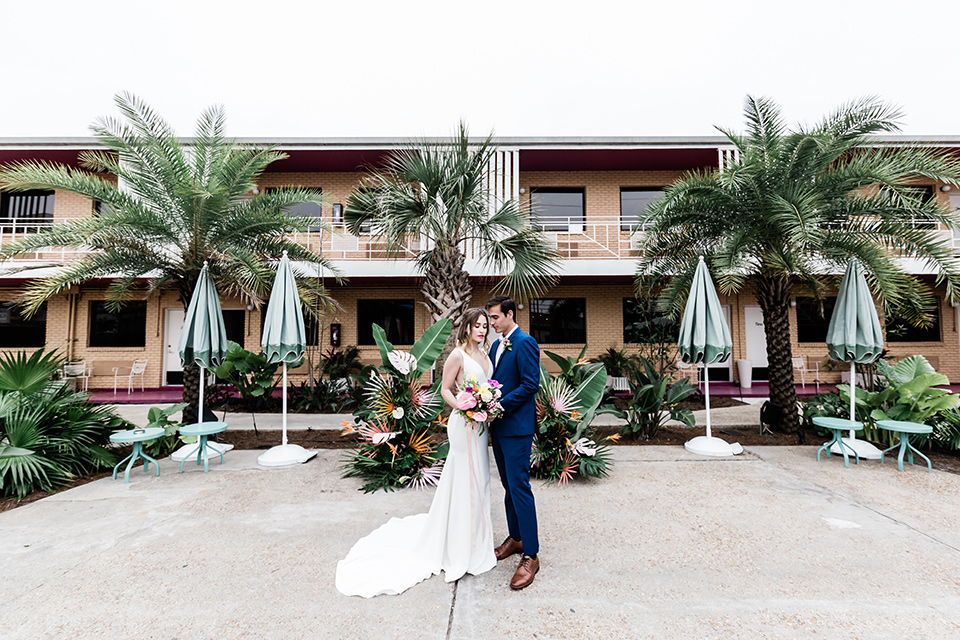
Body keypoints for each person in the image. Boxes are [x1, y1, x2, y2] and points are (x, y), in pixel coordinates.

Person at [336, 307, 496, 597]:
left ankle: (477, 542)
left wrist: (489, 404)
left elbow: (489, 387)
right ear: (467, 328)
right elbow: (446, 389)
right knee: (462, 479)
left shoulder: (486, 355)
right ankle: (459, 547)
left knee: (480, 479)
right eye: (477, 325)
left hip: (481, 426)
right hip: (463, 424)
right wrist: (462, 405)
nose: (482, 330)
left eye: (485, 325)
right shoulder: (458, 355)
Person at [485, 294, 541, 590]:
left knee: (520, 487)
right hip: (498, 428)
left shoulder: (525, 342)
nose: (491, 323)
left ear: (509, 314)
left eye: (494, 317)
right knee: (507, 485)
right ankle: (516, 538)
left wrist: (498, 405)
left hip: (517, 428)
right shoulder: (496, 345)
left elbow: (531, 384)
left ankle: (531, 554)